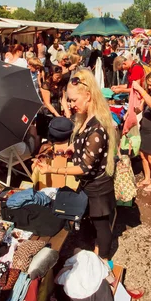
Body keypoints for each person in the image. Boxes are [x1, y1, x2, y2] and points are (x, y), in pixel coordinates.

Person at [36, 69, 117, 261]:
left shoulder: (97, 128)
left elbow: (84, 167)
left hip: (98, 186)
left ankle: (103, 259)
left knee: (101, 224)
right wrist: (69, 149)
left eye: (73, 100)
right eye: (69, 101)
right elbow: (83, 141)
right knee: (93, 220)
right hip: (90, 184)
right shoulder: (88, 118)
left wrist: (52, 169)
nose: (71, 105)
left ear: (88, 96)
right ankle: (95, 249)